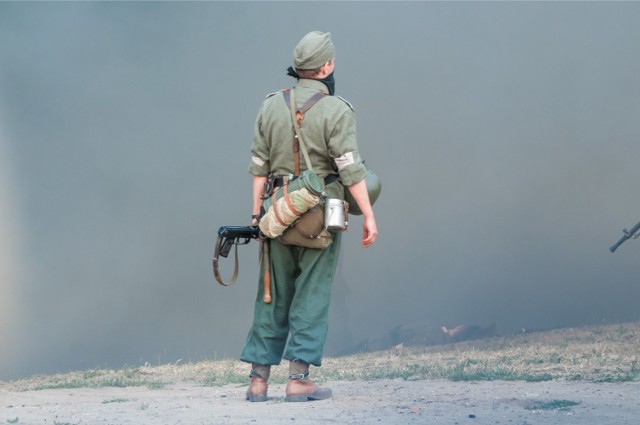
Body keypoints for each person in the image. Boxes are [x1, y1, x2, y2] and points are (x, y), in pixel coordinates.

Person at [241, 31, 378, 402]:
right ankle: (298, 380)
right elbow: (351, 170)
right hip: (323, 216)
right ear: (327, 65)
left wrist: (257, 217)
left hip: (277, 213)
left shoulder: (270, 105)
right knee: (311, 295)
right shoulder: (337, 109)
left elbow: (258, 168)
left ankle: (257, 380)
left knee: (271, 295)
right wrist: (368, 214)